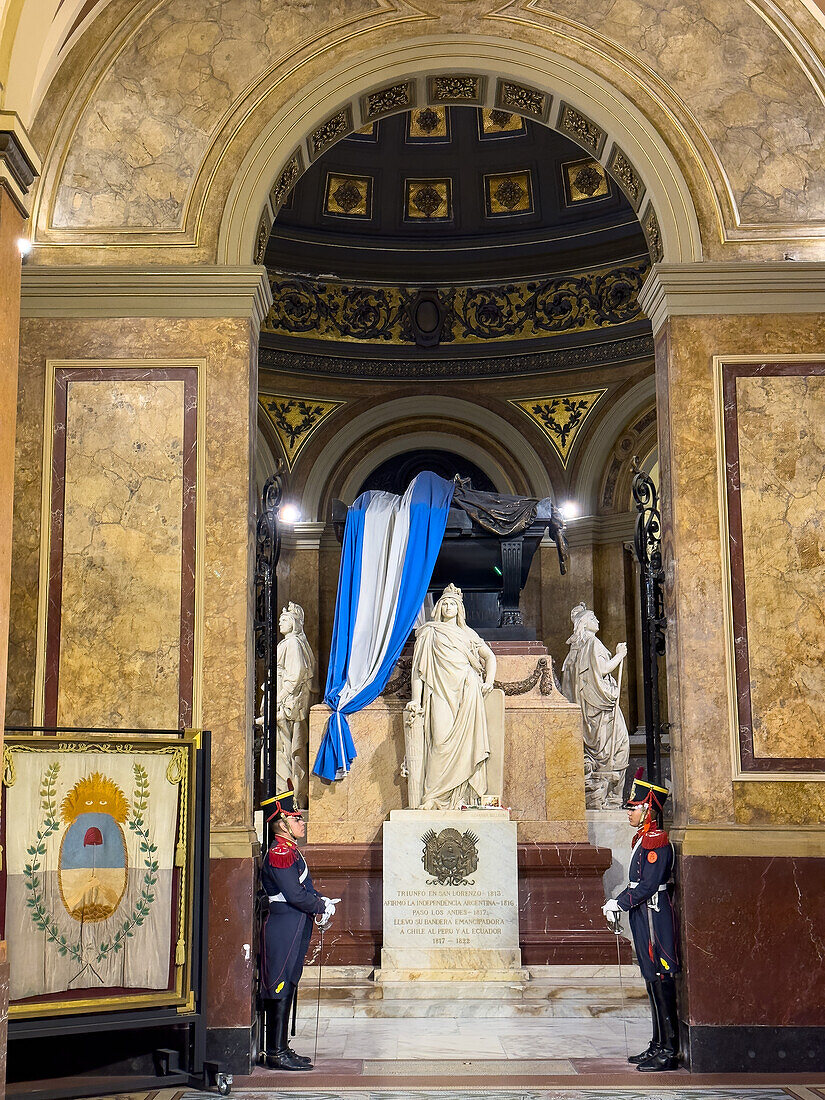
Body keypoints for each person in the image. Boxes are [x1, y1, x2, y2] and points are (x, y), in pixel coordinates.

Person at [602, 768, 680, 1072]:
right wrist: (619, 901)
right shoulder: (643, 839)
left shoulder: (656, 842)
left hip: (653, 917)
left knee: (661, 978)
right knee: (651, 979)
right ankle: (657, 1044)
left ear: (649, 809)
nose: (629, 813)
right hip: (642, 914)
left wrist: (619, 903)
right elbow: (637, 884)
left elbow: (648, 886)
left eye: (633, 808)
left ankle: (669, 1050)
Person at [258, 789, 337, 1071]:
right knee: (278, 983)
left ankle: (281, 1047)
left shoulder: (291, 851)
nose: (302, 823)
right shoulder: (280, 853)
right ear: (281, 823)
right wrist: (319, 906)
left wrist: (319, 902)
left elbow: (302, 889)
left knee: (290, 981)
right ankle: (275, 1052)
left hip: (295, 922)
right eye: (296, 819)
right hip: (284, 923)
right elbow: (294, 894)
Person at [406, 583, 495, 809]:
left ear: (460, 608)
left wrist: (488, 682)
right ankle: (433, 796)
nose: (448, 606)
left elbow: (489, 657)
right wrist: (416, 700)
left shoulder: (468, 634)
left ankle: (461, 798)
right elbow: (419, 671)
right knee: (440, 741)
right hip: (440, 692)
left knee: (466, 745)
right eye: (444, 602)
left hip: (467, 692)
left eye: (452, 603)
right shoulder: (430, 632)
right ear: (438, 607)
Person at [561, 603, 629, 809]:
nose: (597, 620)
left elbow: (568, 686)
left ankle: (601, 797)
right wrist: (620, 654)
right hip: (601, 709)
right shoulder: (593, 644)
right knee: (620, 746)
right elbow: (603, 668)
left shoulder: (575, 648)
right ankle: (612, 799)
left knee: (599, 753)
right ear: (584, 623)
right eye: (593, 618)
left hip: (586, 711)